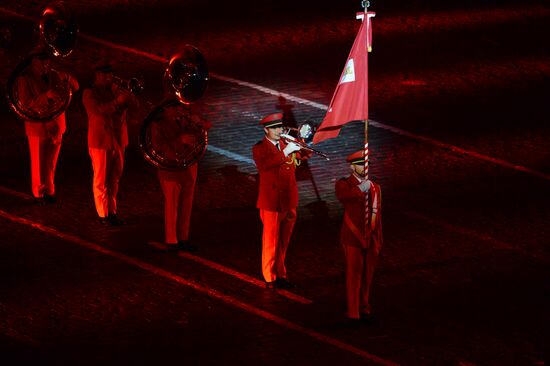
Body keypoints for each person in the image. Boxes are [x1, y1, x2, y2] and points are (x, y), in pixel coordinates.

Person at [252, 112, 310, 289]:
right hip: (272, 201)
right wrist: (286, 151)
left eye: (280, 127)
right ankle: (269, 277)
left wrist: (303, 140)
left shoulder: (287, 143)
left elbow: (305, 155)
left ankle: (281, 272)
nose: (279, 131)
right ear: (266, 130)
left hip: (289, 199)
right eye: (275, 128)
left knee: (284, 241)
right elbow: (265, 165)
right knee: (271, 240)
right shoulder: (260, 148)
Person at [16, 51, 79, 204]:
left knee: (51, 161)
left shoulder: (54, 75)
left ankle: (49, 191)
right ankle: (39, 193)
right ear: (34, 61)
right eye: (42, 61)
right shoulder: (25, 79)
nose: (46, 64)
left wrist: (67, 77)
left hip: (56, 124)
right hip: (37, 126)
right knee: (38, 161)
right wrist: (47, 96)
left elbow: (76, 87)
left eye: (47, 61)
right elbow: (25, 103)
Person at [151, 101, 211, 251]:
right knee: (172, 206)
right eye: (175, 108)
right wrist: (180, 140)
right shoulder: (158, 124)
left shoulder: (185, 119)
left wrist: (198, 122)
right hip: (170, 170)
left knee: (186, 206)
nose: (179, 110)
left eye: (179, 107)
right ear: (166, 109)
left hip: (189, 169)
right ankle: (171, 240)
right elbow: (159, 147)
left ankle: (183, 237)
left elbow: (207, 126)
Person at [82, 63, 135, 226]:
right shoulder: (89, 92)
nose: (108, 78)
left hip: (119, 140)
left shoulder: (116, 89)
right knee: (101, 180)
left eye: (110, 75)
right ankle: (102, 214)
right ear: (97, 75)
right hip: (101, 141)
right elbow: (97, 110)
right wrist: (117, 101)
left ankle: (112, 211)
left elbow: (135, 106)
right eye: (104, 75)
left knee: (114, 179)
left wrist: (129, 96)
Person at [335, 149, 383, 323]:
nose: (365, 167)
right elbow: (343, 196)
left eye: (366, 164)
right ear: (352, 166)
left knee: (367, 276)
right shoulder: (344, 184)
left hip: (371, 237)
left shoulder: (375, 187)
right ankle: (353, 312)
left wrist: (378, 239)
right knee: (354, 274)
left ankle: (364, 306)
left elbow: (377, 216)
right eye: (361, 164)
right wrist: (360, 188)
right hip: (352, 236)